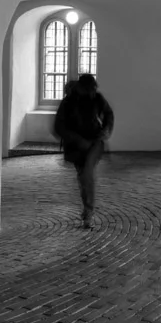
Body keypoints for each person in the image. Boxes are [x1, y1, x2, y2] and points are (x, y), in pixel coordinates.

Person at [53, 74, 114, 229]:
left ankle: (89, 212)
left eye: (94, 89)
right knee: (83, 178)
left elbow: (108, 114)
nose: (93, 92)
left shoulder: (97, 98)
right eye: (90, 89)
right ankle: (87, 209)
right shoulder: (68, 102)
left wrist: (105, 131)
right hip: (76, 147)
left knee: (87, 174)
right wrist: (77, 140)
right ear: (81, 88)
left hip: (94, 142)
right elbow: (59, 126)